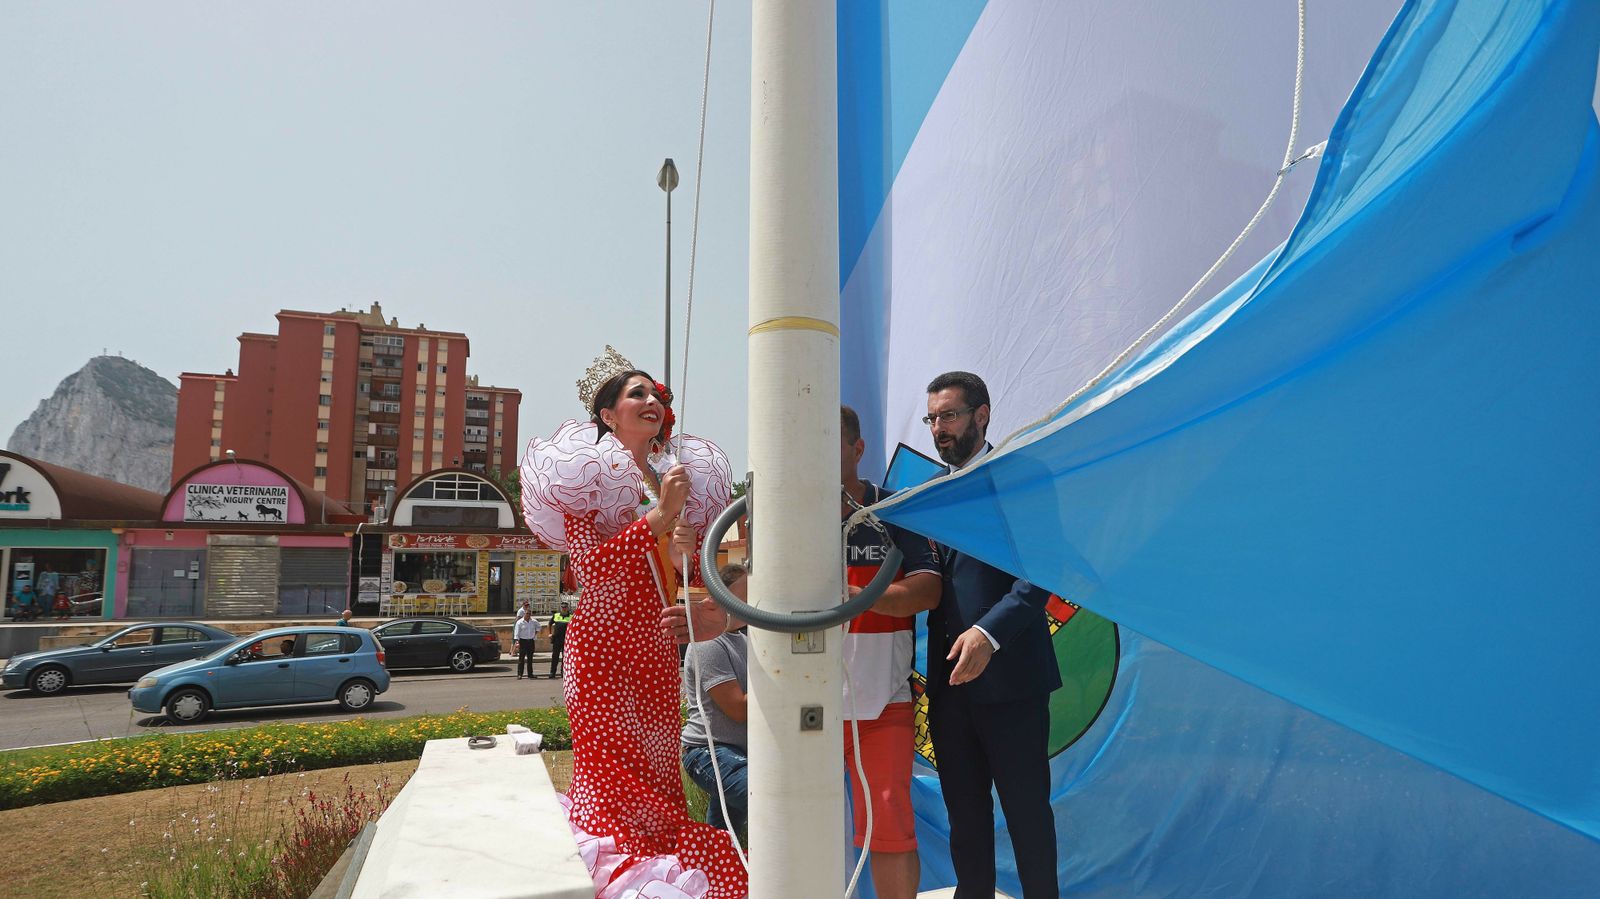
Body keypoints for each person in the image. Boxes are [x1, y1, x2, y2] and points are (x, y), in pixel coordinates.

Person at [520, 347, 743, 899]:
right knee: (614, 769)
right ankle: (627, 875)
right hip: (603, 650)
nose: (651, 402)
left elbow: (677, 573)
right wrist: (661, 518)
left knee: (660, 766)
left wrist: (683, 552)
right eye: (636, 394)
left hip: (657, 646)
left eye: (655, 395)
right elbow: (591, 570)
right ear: (607, 414)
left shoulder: (666, 477)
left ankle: (670, 867)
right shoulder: (585, 477)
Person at [922, 371, 1062, 899]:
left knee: (1027, 816)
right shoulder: (929, 495)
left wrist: (988, 633)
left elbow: (1041, 572)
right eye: (932, 418)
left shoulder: (1022, 478)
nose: (940, 428)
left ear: (982, 415)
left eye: (950, 416)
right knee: (965, 820)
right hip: (948, 686)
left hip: (1013, 685)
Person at [839, 406, 943, 899]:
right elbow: (751, 594)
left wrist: (862, 595)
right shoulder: (780, 514)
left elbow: (929, 590)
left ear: (859, 450)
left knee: (889, 823)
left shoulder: (895, 510)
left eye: (830, 441)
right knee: (793, 826)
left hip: (882, 701)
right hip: (800, 704)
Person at [680, 564, 751, 838]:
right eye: (749, 590)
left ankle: (711, 869)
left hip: (734, 752)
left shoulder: (742, 640)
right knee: (764, 800)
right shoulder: (709, 642)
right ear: (725, 594)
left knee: (722, 834)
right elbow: (737, 708)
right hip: (708, 752)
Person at [512, 602, 538, 679]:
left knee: (530, 659)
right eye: (527, 613)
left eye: (529, 614)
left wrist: (534, 634)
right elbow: (516, 633)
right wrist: (517, 642)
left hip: (530, 641)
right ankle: (520, 674)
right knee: (521, 659)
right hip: (522, 641)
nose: (528, 615)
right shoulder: (519, 622)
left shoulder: (533, 621)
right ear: (524, 614)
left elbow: (539, 627)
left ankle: (530, 674)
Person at [549, 601, 572, 678]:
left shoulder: (571, 616)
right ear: (561, 608)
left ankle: (563, 673)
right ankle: (552, 672)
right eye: (562, 607)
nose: (564, 608)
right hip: (556, 639)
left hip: (566, 640)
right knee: (555, 657)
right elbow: (549, 623)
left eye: (565, 607)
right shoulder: (556, 615)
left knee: (565, 658)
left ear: (567, 608)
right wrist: (550, 633)